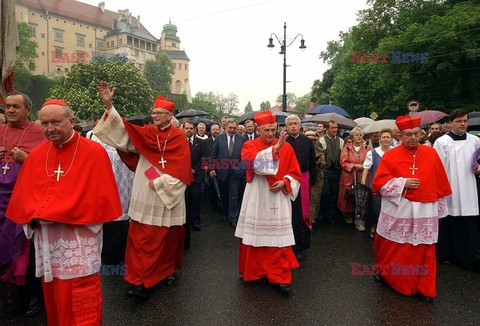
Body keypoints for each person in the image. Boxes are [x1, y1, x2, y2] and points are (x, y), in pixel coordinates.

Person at [6, 99, 122, 324]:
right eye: (45, 123)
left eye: (56, 122)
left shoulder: (93, 152)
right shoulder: (38, 155)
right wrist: (33, 219)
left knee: (82, 298)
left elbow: (100, 200)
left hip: (78, 239)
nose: (50, 129)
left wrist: (63, 214)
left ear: (71, 120)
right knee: (54, 296)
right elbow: (26, 198)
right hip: (48, 240)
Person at [93, 81, 192, 299]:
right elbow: (123, 132)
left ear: (169, 116)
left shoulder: (179, 137)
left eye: (159, 113)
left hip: (165, 192)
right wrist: (110, 106)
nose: (154, 116)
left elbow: (183, 169)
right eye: (153, 112)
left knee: (166, 237)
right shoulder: (147, 132)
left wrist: (160, 182)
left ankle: (165, 271)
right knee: (141, 238)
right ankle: (139, 280)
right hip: (144, 189)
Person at [372, 115, 451, 303]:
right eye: (409, 135)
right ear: (400, 135)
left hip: (425, 209)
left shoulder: (431, 154)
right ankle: (391, 277)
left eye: (416, 134)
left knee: (424, 249)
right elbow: (379, 184)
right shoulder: (391, 155)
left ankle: (424, 287)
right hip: (400, 208)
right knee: (396, 246)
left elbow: (439, 182)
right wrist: (402, 182)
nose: (413, 138)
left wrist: (439, 209)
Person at [235, 110, 301, 295]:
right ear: (258, 129)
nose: (271, 134)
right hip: (257, 194)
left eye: (273, 129)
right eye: (267, 130)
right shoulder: (250, 145)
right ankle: (256, 272)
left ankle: (280, 277)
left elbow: (295, 173)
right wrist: (274, 149)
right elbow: (252, 164)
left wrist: (285, 181)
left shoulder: (286, 147)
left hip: (278, 196)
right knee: (256, 235)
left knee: (278, 239)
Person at [0, 92, 45, 316]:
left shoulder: (41, 134)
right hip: (0, 201)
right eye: (7, 106)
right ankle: (8, 301)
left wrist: (28, 160)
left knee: (25, 257)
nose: (10, 110)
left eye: (16, 106)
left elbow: (52, 170)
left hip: (24, 203)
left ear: (28, 110)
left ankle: (31, 299)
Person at [434, 108, 480, 271]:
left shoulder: (475, 140)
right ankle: (446, 254)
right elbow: (437, 167)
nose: (463, 124)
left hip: (470, 187)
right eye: (459, 121)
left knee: (469, 224)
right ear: (451, 123)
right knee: (449, 221)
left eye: (465, 121)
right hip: (450, 188)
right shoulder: (442, 142)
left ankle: (468, 256)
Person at [285, 115, 317, 260]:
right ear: (286, 127)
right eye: (290, 124)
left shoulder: (307, 141)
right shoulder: (284, 142)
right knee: (291, 215)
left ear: (299, 126)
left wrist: (312, 181)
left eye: (295, 124)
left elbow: (312, 163)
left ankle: (301, 246)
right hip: (288, 181)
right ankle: (290, 246)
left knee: (302, 214)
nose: (293, 126)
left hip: (304, 180)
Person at [210, 118, 246, 228]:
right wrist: (212, 169)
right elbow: (214, 155)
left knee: (233, 195)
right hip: (222, 171)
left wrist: (241, 169)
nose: (232, 130)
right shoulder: (219, 138)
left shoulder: (242, 139)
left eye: (234, 128)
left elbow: (244, 156)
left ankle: (233, 218)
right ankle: (226, 213)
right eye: (230, 128)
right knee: (224, 195)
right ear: (225, 127)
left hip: (236, 173)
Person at [361, 128, 392, 238]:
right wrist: (363, 179)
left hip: (391, 186)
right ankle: (374, 226)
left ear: (391, 139)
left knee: (390, 209)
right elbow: (366, 168)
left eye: (388, 137)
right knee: (376, 209)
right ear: (380, 139)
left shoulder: (394, 151)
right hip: (376, 185)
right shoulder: (373, 153)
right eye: (384, 137)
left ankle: (388, 229)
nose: (386, 139)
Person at [338, 127, 369, 231]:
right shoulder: (346, 148)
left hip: (363, 176)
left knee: (361, 198)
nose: (359, 136)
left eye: (360, 135)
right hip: (349, 176)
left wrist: (364, 167)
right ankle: (347, 214)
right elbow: (343, 162)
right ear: (352, 137)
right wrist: (355, 165)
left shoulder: (367, 148)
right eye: (357, 135)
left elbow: (369, 161)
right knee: (348, 197)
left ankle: (359, 220)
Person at [184, 121, 207, 246]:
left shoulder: (201, 142)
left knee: (196, 199)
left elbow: (204, 159)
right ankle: (186, 222)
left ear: (195, 130)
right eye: (186, 128)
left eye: (191, 128)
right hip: (183, 176)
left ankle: (196, 222)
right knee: (185, 201)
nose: (189, 130)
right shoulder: (180, 142)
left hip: (197, 176)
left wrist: (195, 170)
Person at [319, 121, 344, 224]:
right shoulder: (321, 140)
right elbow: (319, 154)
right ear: (327, 129)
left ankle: (331, 215)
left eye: (336, 128)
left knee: (334, 194)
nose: (334, 130)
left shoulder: (341, 141)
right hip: (325, 171)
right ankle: (322, 214)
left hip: (336, 172)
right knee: (324, 193)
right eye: (332, 128)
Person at [305, 131, 325, 225]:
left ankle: (312, 220)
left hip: (317, 177)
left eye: (314, 140)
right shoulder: (302, 149)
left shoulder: (319, 150)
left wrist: (319, 162)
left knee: (315, 199)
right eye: (310, 140)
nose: (312, 142)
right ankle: (307, 220)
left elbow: (324, 164)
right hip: (305, 176)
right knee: (306, 199)